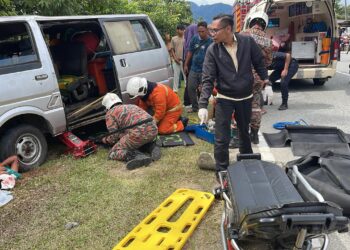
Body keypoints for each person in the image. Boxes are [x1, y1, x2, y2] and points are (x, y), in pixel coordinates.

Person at [198, 14, 269, 173]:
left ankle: (248, 165)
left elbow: (259, 63)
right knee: (222, 138)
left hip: (245, 98)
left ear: (228, 29)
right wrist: (203, 105)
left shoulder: (247, 42)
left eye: (215, 30)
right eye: (211, 30)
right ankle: (222, 171)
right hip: (225, 99)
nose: (212, 34)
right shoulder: (213, 50)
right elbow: (208, 78)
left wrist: (267, 81)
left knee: (244, 133)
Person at [101, 93, 160, 170]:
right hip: (153, 129)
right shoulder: (131, 106)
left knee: (113, 152)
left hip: (138, 133)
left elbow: (113, 137)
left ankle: (136, 156)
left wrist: (104, 140)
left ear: (107, 107)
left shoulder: (110, 113)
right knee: (135, 141)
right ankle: (151, 147)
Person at [241, 11, 273, 144]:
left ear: (251, 21)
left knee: (240, 103)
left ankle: (241, 134)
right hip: (258, 77)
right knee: (255, 105)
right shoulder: (268, 40)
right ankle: (254, 134)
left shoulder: (243, 34)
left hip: (241, 76)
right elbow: (268, 62)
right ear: (263, 24)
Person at [184, 21, 213, 113]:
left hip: (205, 70)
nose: (200, 33)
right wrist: (186, 64)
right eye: (199, 31)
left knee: (204, 90)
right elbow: (190, 51)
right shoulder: (194, 38)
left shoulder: (211, 41)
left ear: (207, 30)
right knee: (190, 88)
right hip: (194, 68)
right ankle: (195, 107)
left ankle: (202, 107)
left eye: (202, 31)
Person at [183, 24, 199, 109]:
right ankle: (195, 102)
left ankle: (187, 102)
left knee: (189, 83)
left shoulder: (186, 42)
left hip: (187, 63)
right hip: (192, 64)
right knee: (195, 83)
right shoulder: (195, 41)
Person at [170, 24, 186, 93]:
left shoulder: (186, 38)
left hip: (184, 60)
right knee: (176, 76)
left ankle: (187, 88)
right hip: (176, 60)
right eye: (180, 29)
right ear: (177, 30)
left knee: (186, 75)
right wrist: (175, 58)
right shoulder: (173, 38)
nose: (182, 31)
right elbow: (172, 49)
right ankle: (175, 90)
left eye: (183, 30)